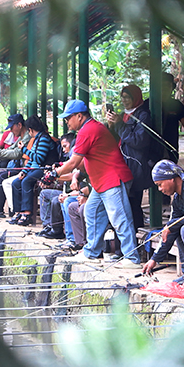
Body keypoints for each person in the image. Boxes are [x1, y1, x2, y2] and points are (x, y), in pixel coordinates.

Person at [56, 100, 140, 264]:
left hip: (112, 179)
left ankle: (132, 257)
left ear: (79, 116)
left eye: (68, 118)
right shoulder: (88, 128)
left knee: (120, 218)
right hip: (101, 182)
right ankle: (91, 252)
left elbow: (73, 163)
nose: (66, 121)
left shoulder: (88, 130)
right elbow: (80, 163)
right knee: (92, 212)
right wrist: (60, 170)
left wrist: (55, 173)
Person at [141, 160, 184, 277]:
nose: (159, 189)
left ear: (171, 178)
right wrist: (154, 259)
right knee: (178, 229)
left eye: (160, 184)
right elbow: (171, 229)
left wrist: (172, 224)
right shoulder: (178, 200)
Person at [109, 84, 158, 229]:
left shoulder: (143, 115)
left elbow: (138, 141)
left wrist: (119, 125)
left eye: (127, 97)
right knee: (125, 204)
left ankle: (136, 237)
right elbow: (117, 139)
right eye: (122, 97)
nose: (124, 100)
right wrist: (112, 126)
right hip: (122, 164)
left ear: (135, 97)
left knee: (134, 203)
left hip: (136, 165)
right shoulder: (124, 114)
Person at [9, 115, 59, 226]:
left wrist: (24, 150)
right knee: (16, 182)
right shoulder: (36, 139)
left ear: (30, 130)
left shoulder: (44, 139)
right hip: (35, 168)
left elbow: (39, 158)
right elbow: (32, 160)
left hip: (44, 168)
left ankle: (27, 214)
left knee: (27, 181)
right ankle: (18, 211)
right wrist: (24, 171)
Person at [0, 113, 28, 217]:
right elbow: (9, 150)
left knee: (1, 177)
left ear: (19, 125)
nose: (11, 131)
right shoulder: (21, 138)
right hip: (19, 167)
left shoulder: (26, 138)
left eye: (12, 127)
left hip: (24, 169)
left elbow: (16, 154)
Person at [158, 72, 184, 163]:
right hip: (154, 145)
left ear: (172, 88)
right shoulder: (149, 103)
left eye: (167, 85)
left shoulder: (176, 105)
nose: (165, 88)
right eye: (162, 85)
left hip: (171, 143)